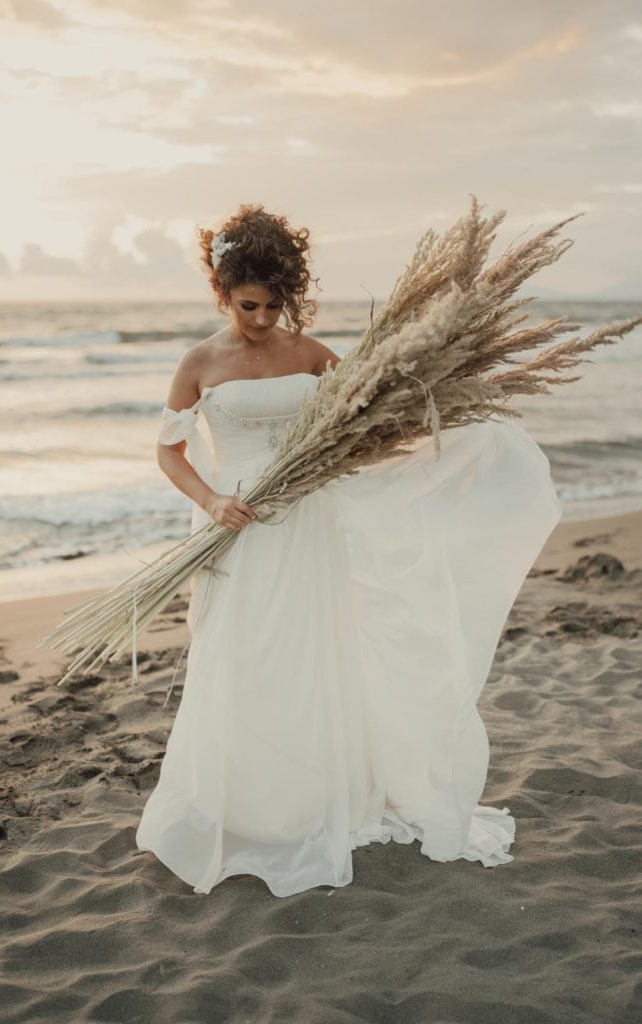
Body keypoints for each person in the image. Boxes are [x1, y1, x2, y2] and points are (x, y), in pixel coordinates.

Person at [135, 203, 562, 897]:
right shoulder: (198, 362)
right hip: (236, 526)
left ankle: (310, 802)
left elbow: (364, 423)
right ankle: (246, 805)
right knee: (240, 655)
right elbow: (168, 451)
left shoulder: (310, 354)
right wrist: (211, 500)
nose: (264, 318)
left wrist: (438, 439)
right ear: (221, 292)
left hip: (308, 520)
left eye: (276, 304)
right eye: (249, 305)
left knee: (312, 653)